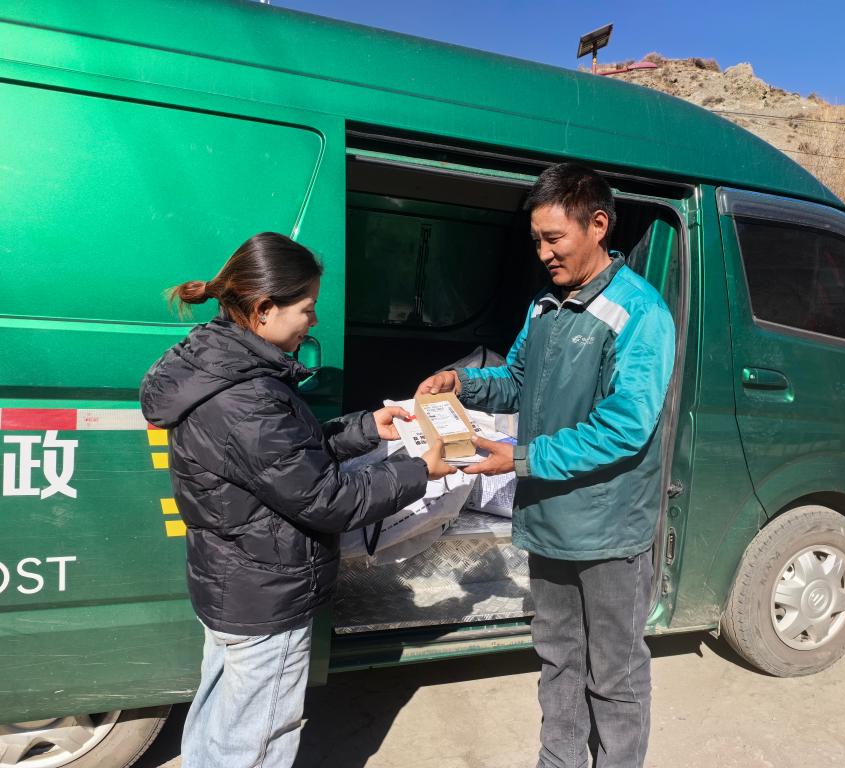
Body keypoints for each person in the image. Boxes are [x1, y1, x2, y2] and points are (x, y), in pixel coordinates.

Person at [140, 232, 453, 768]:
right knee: (255, 742)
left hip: (234, 581)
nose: (313, 321)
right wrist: (417, 470)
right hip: (267, 593)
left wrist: (366, 429)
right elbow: (327, 497)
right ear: (264, 309)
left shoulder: (219, 366)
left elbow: (284, 460)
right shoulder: (247, 398)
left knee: (220, 721)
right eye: (306, 308)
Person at [419, 163, 676, 768]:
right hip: (547, 518)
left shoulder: (639, 313)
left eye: (554, 238)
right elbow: (517, 380)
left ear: (598, 225)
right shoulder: (544, 307)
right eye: (536, 240)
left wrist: (522, 457)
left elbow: (626, 425)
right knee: (558, 656)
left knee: (614, 671)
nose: (543, 253)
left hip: (607, 530)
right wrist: (462, 383)